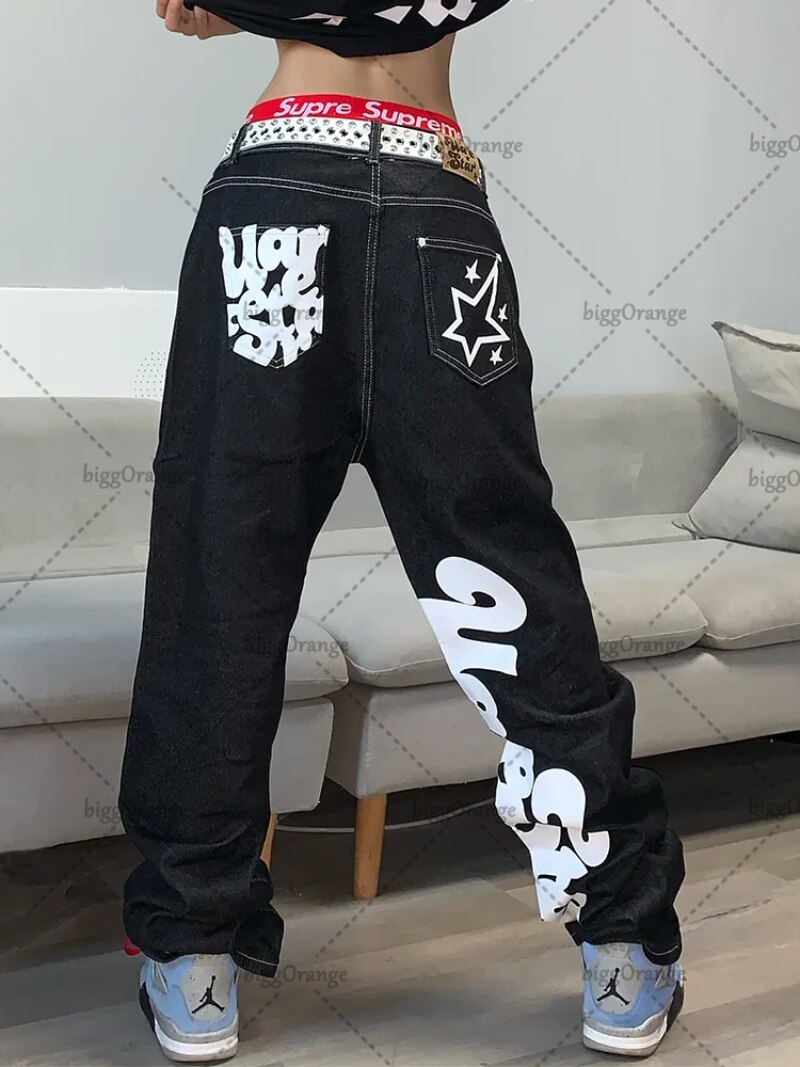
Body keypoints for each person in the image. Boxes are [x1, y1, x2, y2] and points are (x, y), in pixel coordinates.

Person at [119, 1, 686, 1061]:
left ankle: (193, 944)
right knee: (510, 580)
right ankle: (621, 930)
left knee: (219, 577)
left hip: (277, 198)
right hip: (435, 203)